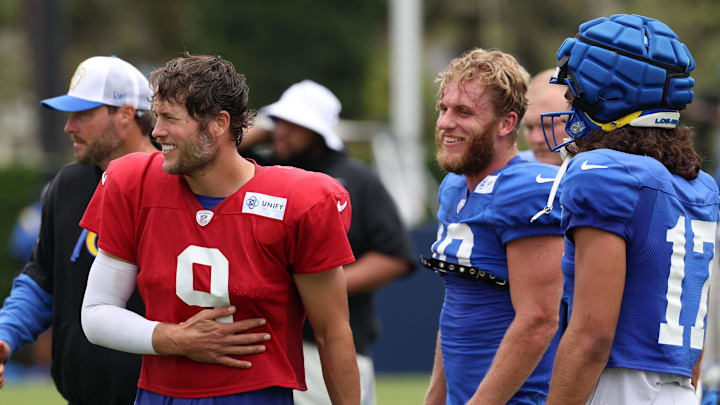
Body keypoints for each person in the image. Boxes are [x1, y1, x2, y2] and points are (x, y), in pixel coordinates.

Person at [79, 53, 361, 404]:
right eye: (156, 117)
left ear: (218, 123)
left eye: (169, 118)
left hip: (255, 395)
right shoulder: (132, 181)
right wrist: (176, 338)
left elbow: (332, 332)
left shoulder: (300, 199)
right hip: (159, 395)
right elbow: (95, 313)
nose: (156, 132)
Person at [0, 55, 270, 404]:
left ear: (126, 115)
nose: (69, 127)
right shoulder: (68, 185)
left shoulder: (187, 180)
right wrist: (5, 334)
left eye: (83, 115)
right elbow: (41, 280)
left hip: (166, 393)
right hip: (83, 396)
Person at [540, 14, 717, 405]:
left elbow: (592, 336)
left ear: (611, 97)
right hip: (679, 390)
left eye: (573, 97)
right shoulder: (697, 184)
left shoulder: (604, 173)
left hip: (618, 387)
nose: (569, 111)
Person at [239, 80, 415, 405]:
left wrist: (319, 289)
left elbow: (395, 256)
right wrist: (268, 130)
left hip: (325, 350)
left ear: (317, 131)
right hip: (267, 346)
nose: (281, 130)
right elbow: (219, 149)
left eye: (294, 124)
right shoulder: (265, 171)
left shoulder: (357, 179)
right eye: (278, 121)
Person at [422, 48, 564, 405]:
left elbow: (539, 319)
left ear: (506, 123)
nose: (445, 123)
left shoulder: (530, 189)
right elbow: (458, 305)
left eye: (464, 111)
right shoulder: (454, 186)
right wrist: (436, 397)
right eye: (444, 109)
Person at [517, 69, 567, 165]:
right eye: (529, 127)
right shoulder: (510, 171)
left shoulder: (602, 169)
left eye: (548, 125)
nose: (537, 139)